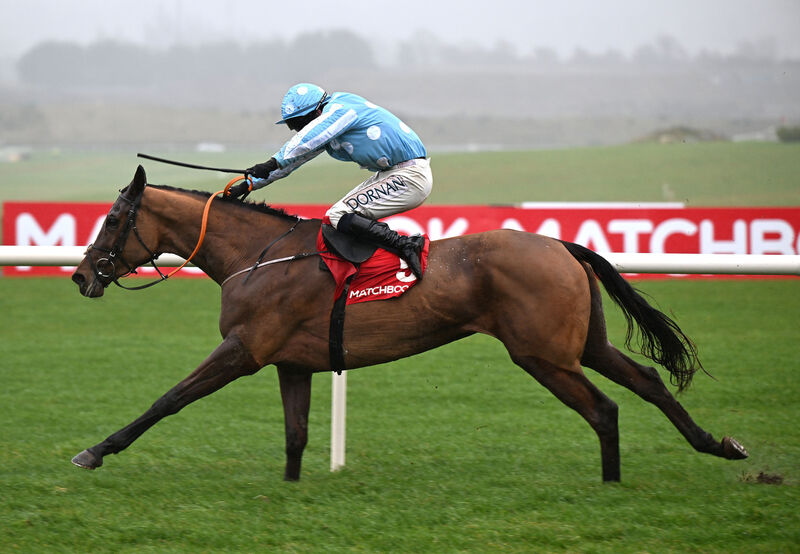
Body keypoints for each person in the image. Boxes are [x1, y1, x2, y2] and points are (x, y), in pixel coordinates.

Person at [231, 83, 432, 279]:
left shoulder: (342, 108)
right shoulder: (330, 124)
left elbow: (305, 140)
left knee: (338, 214)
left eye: (297, 123)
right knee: (336, 215)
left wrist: (272, 162)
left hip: (410, 177)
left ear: (316, 111)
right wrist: (249, 184)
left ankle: (406, 245)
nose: (295, 130)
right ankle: (374, 268)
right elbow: (292, 160)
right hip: (393, 174)